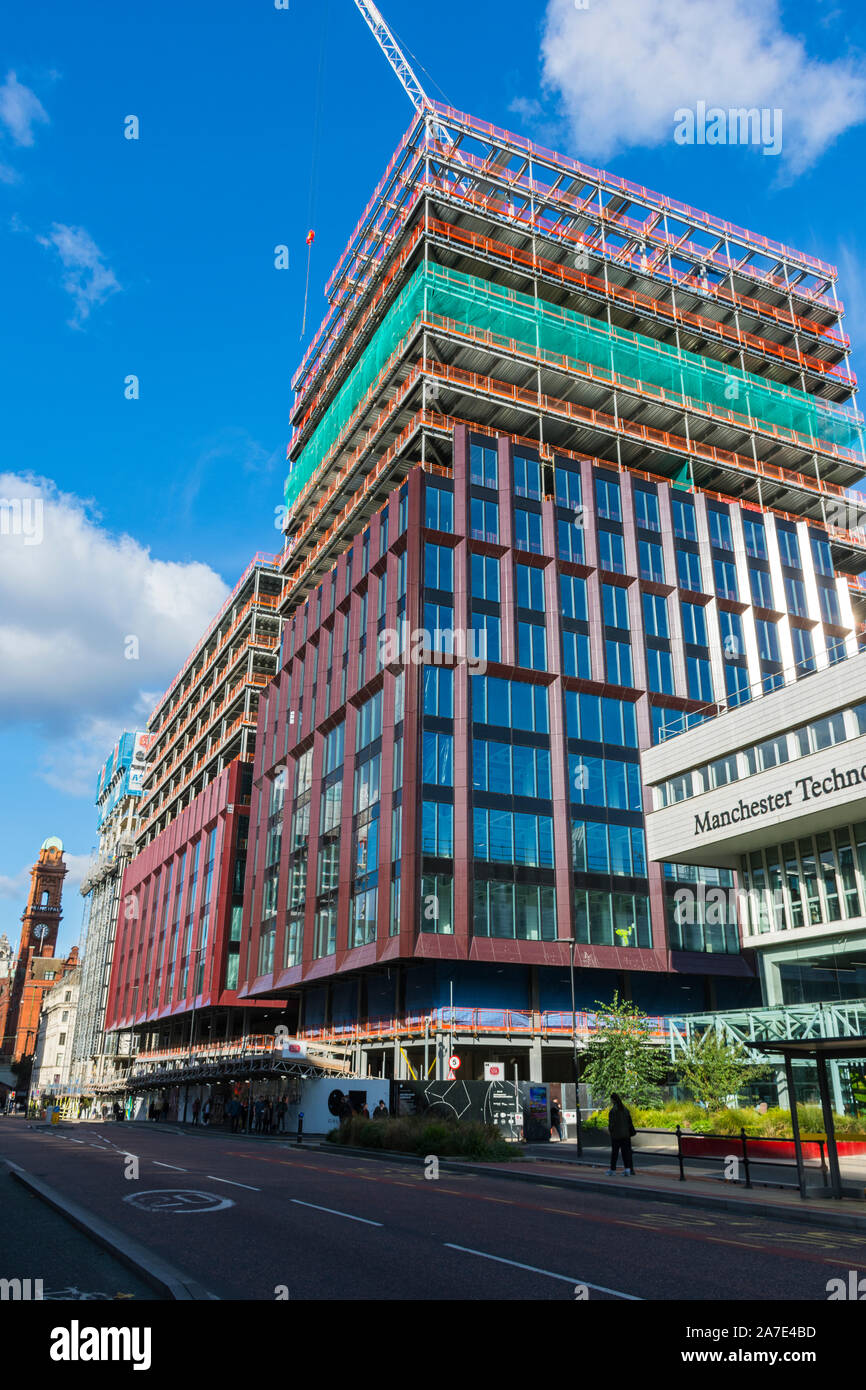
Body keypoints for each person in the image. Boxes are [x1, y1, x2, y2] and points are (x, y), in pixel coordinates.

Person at [606, 1093, 635, 1175]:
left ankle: (613, 1170)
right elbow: (629, 1121)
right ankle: (627, 1169)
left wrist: (611, 1131)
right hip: (626, 1135)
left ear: (613, 1100)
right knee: (625, 1153)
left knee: (614, 1153)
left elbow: (611, 1124)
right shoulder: (625, 1109)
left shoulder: (613, 1110)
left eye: (611, 1099)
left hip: (616, 1135)